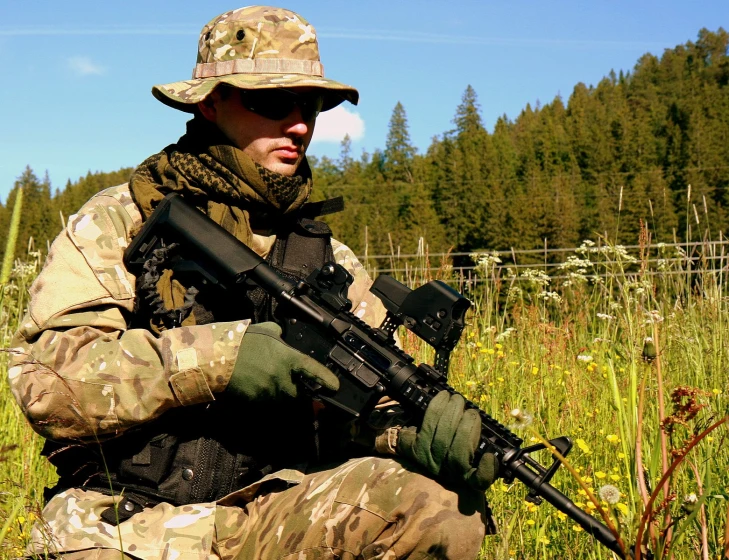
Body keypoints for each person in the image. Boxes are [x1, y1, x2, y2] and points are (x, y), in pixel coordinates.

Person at [9, 6, 498, 559]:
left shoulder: (327, 260)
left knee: (440, 507)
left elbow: (362, 408)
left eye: (310, 104)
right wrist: (220, 359)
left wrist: (409, 434)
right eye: (271, 101)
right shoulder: (120, 221)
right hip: (123, 523)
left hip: (266, 516)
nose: (299, 124)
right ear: (210, 101)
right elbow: (45, 385)